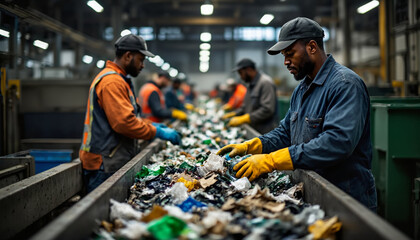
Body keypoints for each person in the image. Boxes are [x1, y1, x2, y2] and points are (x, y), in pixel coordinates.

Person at [218, 17, 377, 211]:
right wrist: (252, 146)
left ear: (311, 47)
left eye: (290, 53)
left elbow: (337, 142)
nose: (285, 61)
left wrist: (272, 160)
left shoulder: (345, 84)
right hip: (315, 192)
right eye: (284, 55)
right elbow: (286, 132)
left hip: (347, 197)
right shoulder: (301, 90)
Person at [79, 34, 181, 193]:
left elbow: (129, 118)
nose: (142, 65)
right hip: (104, 162)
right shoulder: (112, 82)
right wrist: (157, 131)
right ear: (128, 56)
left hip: (110, 158)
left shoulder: (120, 80)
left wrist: (151, 125)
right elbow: (124, 124)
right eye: (141, 60)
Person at [222, 58, 278, 134]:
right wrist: (235, 114)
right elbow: (245, 106)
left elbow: (267, 109)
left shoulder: (265, 82)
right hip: (254, 129)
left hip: (265, 132)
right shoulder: (250, 85)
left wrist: (246, 118)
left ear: (248, 69)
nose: (240, 77)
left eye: (241, 73)